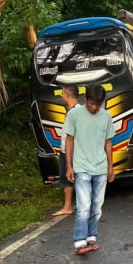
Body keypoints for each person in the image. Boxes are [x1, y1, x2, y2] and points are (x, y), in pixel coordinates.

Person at [64, 84, 115, 255]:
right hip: (82, 167)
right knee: (84, 206)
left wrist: (110, 166)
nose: (94, 107)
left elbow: (108, 143)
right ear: (86, 99)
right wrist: (69, 166)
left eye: (98, 104)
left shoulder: (106, 116)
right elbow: (69, 140)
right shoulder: (74, 114)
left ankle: (91, 236)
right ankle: (79, 241)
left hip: (100, 167)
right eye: (92, 103)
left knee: (96, 206)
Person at [52, 84, 79, 216]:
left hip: (71, 151)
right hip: (70, 150)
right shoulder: (76, 111)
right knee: (71, 179)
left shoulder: (74, 113)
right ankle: (68, 206)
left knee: (69, 177)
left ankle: (68, 206)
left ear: (67, 95)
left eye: (62, 94)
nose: (62, 96)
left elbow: (71, 137)